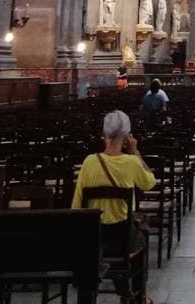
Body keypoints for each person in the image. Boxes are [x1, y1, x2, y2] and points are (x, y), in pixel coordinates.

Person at [71, 109, 156, 295]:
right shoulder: (132, 162)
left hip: (95, 239)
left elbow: (76, 207)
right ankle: (137, 295)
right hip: (122, 238)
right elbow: (150, 182)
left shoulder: (88, 162)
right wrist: (135, 151)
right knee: (142, 235)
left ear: (104, 134)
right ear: (126, 136)